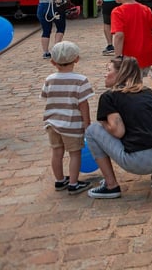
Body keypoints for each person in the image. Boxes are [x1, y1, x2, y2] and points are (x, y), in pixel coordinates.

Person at [85, 56, 152, 198]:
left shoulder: (109, 97)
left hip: (138, 161)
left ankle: (111, 185)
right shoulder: (148, 92)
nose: (105, 74)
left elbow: (118, 132)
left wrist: (103, 122)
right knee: (145, 126)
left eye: (108, 70)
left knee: (91, 131)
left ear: (120, 74)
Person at [42, 41, 93, 195]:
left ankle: (59, 180)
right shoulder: (80, 80)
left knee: (56, 152)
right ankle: (73, 183)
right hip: (71, 124)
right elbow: (83, 105)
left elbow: (45, 96)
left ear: (53, 62)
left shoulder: (49, 79)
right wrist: (87, 123)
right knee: (75, 153)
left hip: (52, 123)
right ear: (77, 59)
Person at [110, 0, 152, 76]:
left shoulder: (118, 11)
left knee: (129, 85)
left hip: (128, 58)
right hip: (145, 56)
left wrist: (117, 57)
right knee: (139, 83)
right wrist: (146, 40)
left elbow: (119, 35)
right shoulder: (146, 9)